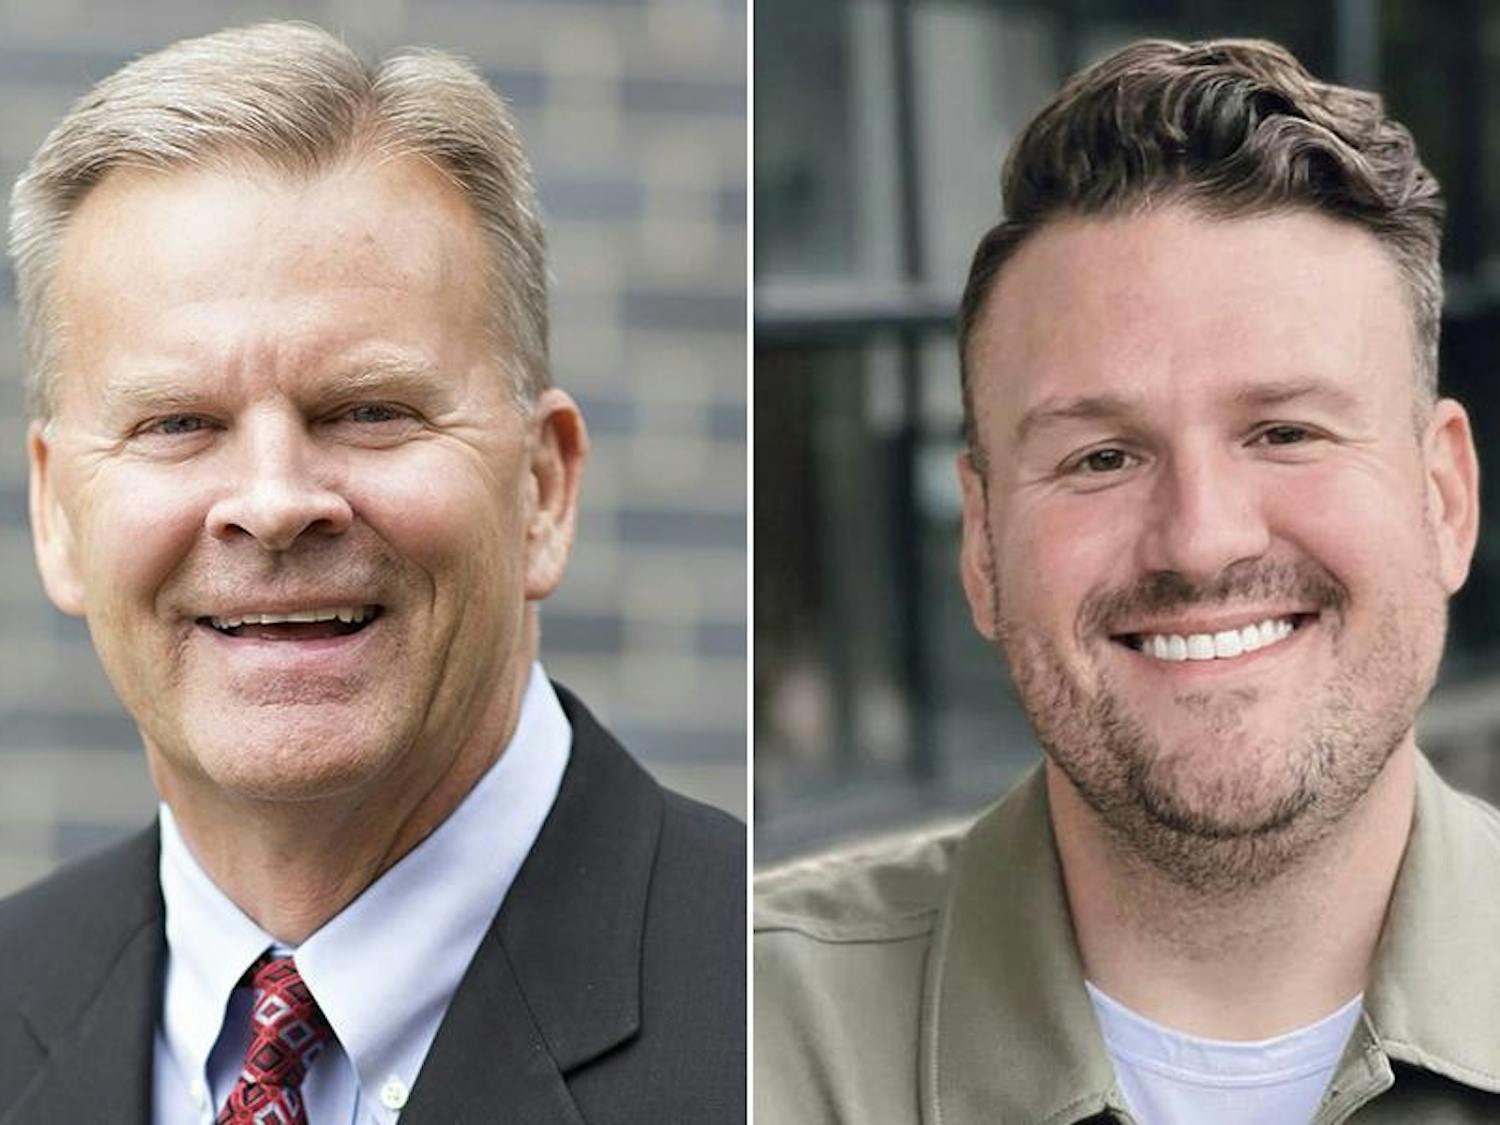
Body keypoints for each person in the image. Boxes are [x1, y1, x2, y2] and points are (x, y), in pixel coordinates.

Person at [0, 21, 744, 1124]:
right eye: (178, 423)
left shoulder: (760, 1006)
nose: (273, 502)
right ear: (58, 513)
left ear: (544, 488)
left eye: (368, 411)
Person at [756, 37, 1495, 1125]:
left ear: (1444, 500)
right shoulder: (748, 1042)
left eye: (1285, 431)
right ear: (981, 542)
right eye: (1101, 457)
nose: (1199, 541)